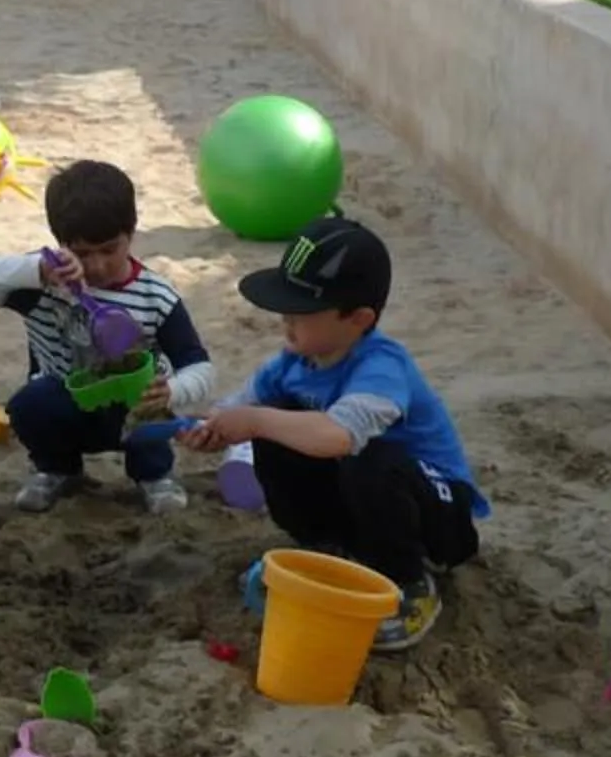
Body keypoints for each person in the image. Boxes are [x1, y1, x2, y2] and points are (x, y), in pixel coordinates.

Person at [180, 213, 483, 652]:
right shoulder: (294, 361)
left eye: (301, 311)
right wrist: (209, 428)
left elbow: (338, 436)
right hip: (363, 505)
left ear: (358, 318)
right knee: (277, 417)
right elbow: (238, 409)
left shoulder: (382, 367)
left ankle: (409, 583)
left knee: (365, 457)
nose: (286, 319)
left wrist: (255, 421)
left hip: (436, 518)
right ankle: (328, 546)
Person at [0, 159, 218, 515]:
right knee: (30, 403)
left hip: (133, 409)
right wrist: (37, 269)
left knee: (148, 407)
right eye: (82, 253)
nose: (96, 265)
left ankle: (155, 475)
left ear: (132, 233)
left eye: (109, 249)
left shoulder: (154, 296)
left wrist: (172, 390)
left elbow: (199, 366)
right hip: (65, 402)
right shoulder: (46, 283)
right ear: (61, 243)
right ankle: (57, 469)